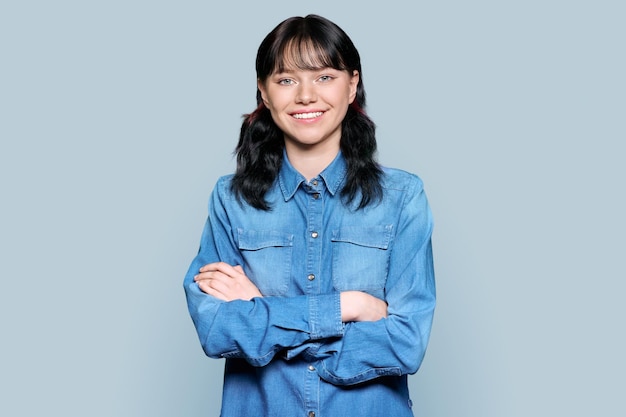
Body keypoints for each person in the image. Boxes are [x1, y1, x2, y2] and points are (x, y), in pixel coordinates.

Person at [183, 14, 436, 417]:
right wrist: (349, 307)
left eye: (324, 77)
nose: (305, 96)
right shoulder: (230, 200)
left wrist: (262, 311)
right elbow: (216, 330)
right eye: (286, 80)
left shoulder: (402, 198)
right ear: (264, 93)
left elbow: (406, 344)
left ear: (352, 84)